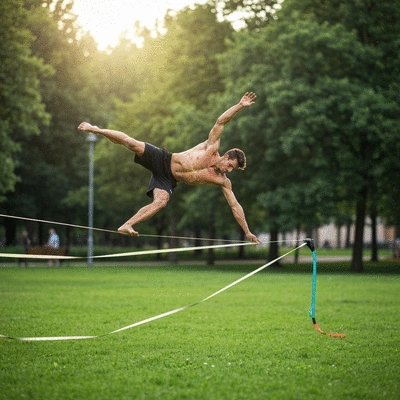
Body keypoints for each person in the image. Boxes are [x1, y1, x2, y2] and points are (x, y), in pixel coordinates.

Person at [78, 92, 261, 244]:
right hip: (164, 160)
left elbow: (235, 206)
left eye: (232, 169)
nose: (229, 170)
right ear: (226, 156)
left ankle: (127, 225)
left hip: (168, 179)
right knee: (131, 143)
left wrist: (247, 232)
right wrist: (240, 105)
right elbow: (220, 122)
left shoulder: (223, 181)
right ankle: (96, 129)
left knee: (161, 202)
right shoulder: (211, 147)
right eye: (230, 165)